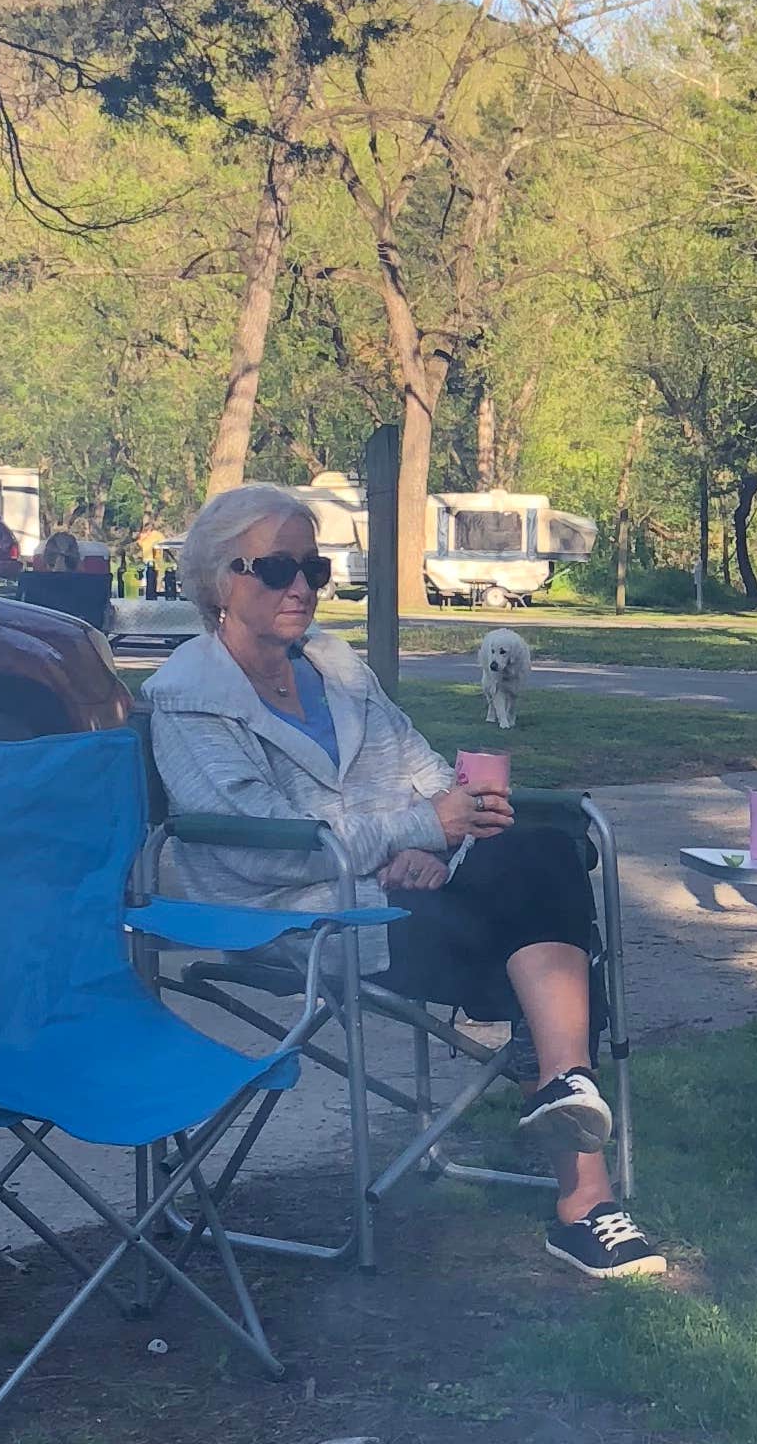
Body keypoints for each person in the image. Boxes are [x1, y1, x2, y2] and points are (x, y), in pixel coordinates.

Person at [146, 484, 663, 1280]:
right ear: (218, 582)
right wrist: (421, 831)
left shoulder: (336, 670)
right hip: (297, 924)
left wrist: (441, 847)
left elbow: (430, 776)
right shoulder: (187, 700)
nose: (301, 587)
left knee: (547, 848)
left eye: (313, 568)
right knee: (542, 911)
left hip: (397, 904)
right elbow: (269, 855)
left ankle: (565, 1088)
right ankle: (582, 1189)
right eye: (277, 568)